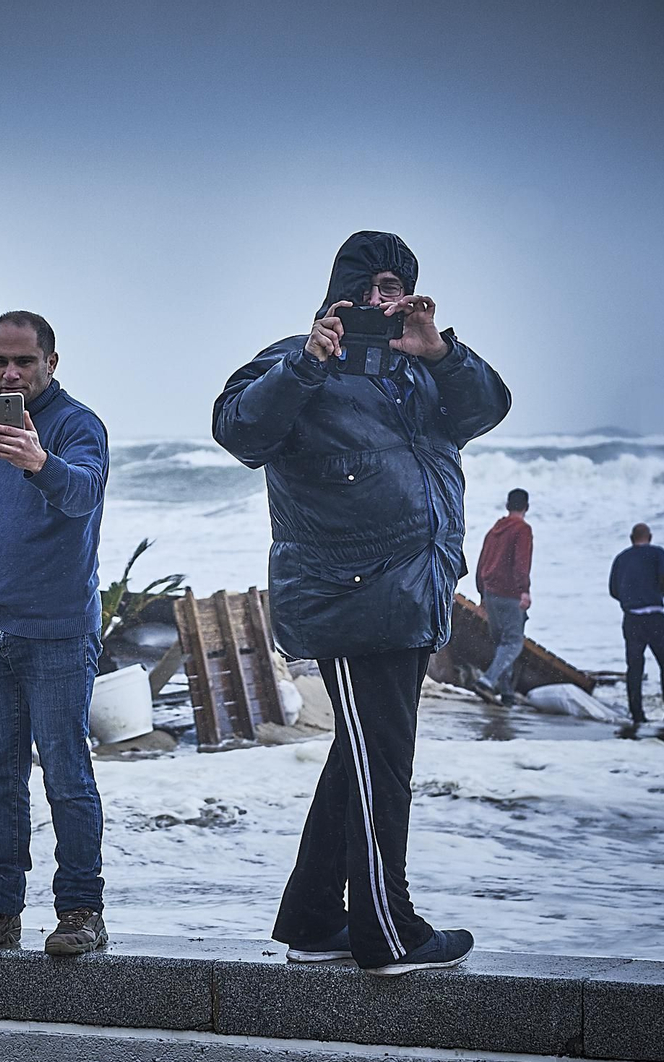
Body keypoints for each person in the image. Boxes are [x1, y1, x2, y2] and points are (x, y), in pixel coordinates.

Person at [213, 231, 511, 976]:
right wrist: (309, 364)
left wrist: (441, 352)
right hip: (350, 599)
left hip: (413, 591)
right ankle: (388, 931)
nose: (386, 301)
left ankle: (316, 918)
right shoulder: (295, 358)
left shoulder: (420, 370)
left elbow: (486, 409)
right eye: (374, 286)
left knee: (362, 756)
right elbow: (239, 429)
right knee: (384, 765)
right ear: (342, 290)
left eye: (398, 288)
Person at [0, 310, 111, 957]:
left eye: (23, 362)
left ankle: (82, 912)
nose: (10, 373)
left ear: (50, 363)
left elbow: (83, 493)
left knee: (66, 777)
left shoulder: (79, 426)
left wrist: (40, 461)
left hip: (58, 636)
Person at [608, 522, 664, 723]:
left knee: (634, 668)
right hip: (655, 616)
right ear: (649, 537)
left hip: (632, 618)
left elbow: (613, 589)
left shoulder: (621, 558)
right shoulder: (657, 553)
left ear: (631, 539)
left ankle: (637, 713)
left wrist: (629, 600)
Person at [473, 488, 533, 705]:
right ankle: (487, 681)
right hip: (509, 594)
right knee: (513, 642)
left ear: (507, 505)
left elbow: (481, 562)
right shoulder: (522, 529)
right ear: (527, 507)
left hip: (490, 593)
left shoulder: (494, 531)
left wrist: (482, 592)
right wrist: (524, 590)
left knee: (502, 644)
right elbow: (521, 563)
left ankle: (507, 694)